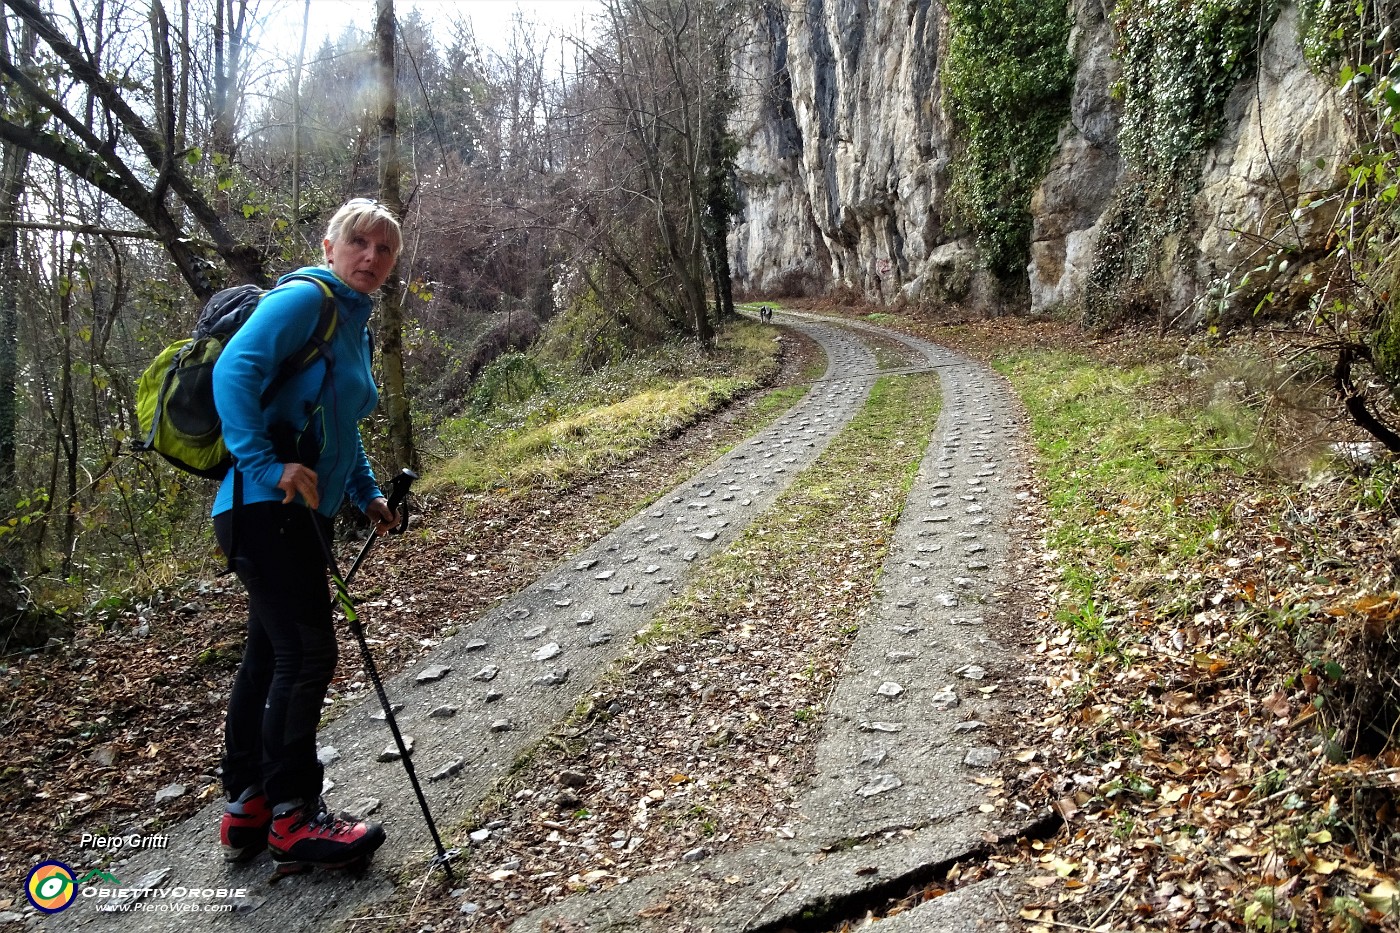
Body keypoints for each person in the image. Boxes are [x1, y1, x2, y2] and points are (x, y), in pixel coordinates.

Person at [212, 198, 401, 871]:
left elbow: (339, 421)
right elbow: (233, 371)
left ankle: (250, 806)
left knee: (270, 654)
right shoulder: (306, 299)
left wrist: (366, 491)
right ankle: (296, 816)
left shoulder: (353, 323)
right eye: (360, 242)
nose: (371, 257)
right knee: (309, 654)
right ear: (330, 245)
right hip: (265, 504)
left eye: (385, 249)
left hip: (288, 510)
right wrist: (265, 463)